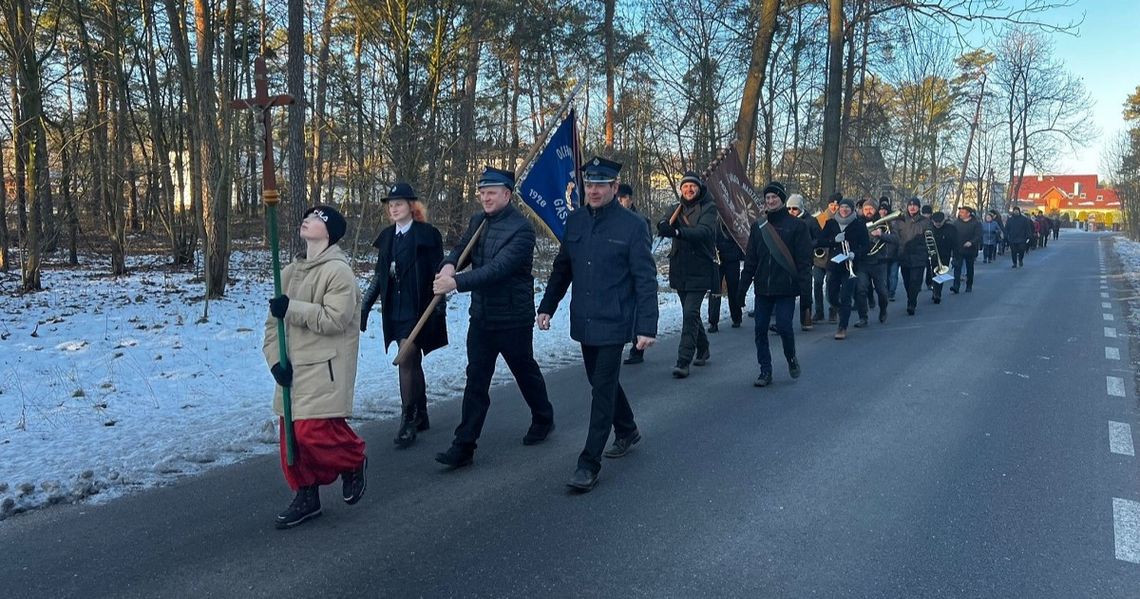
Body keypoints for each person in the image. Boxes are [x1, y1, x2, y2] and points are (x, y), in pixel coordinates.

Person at [537, 157, 658, 492]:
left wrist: (646, 325)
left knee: (601, 389)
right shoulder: (574, 222)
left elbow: (645, 280)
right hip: (585, 318)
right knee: (599, 380)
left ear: (614, 187)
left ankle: (588, 462)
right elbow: (563, 268)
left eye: (600, 185)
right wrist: (547, 306)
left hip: (615, 319)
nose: (593, 190)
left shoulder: (633, 226)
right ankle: (628, 428)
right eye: (589, 184)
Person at [433, 166, 555, 469]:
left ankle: (543, 417)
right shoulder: (477, 221)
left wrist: (457, 283)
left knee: (524, 371)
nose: (485, 198)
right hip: (482, 317)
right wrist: (450, 265)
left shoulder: (522, 230)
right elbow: (461, 250)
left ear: (507, 195)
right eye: (482, 193)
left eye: (491, 192)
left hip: (513, 317)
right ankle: (464, 446)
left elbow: (498, 270)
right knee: (476, 379)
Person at [264, 204, 367, 529]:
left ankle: (354, 460)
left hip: (325, 368)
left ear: (331, 232)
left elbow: (335, 319)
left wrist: (291, 308)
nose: (307, 219)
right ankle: (306, 495)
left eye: (318, 218)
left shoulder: (339, 272)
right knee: (290, 442)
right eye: (307, 216)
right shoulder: (289, 272)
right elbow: (272, 326)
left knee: (312, 433)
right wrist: (275, 361)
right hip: (292, 369)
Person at [361, 182, 447, 449]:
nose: (393, 209)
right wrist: (364, 306)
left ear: (411, 206)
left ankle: (408, 419)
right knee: (411, 359)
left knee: (406, 357)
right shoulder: (388, 237)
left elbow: (439, 272)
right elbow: (379, 276)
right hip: (395, 311)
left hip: (420, 308)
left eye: (398, 204)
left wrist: (439, 305)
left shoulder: (428, 234)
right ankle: (420, 412)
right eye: (390, 205)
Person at [738, 181, 811, 387]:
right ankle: (765, 370)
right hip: (763, 288)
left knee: (785, 327)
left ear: (782, 199)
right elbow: (751, 260)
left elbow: (805, 262)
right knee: (760, 329)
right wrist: (742, 289)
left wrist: (806, 296)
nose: (770, 201)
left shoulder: (797, 226)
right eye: (767, 198)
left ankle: (790, 357)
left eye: (774, 197)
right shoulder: (758, 227)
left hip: (786, 288)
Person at [657, 170, 718, 379]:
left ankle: (683, 361)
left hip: (700, 269)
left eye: (692, 186)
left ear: (699, 189)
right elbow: (663, 223)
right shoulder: (675, 208)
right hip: (680, 269)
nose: (689, 190)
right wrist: (663, 225)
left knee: (690, 313)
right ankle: (703, 347)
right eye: (685, 186)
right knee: (689, 313)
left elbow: (704, 232)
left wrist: (676, 232)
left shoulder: (709, 208)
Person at [817, 197, 870, 339]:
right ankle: (840, 309)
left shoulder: (859, 224)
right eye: (842, 207)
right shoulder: (831, 223)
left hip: (851, 266)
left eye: (847, 207)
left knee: (846, 296)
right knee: (831, 296)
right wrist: (833, 240)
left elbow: (866, 246)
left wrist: (855, 254)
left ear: (852, 209)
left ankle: (842, 327)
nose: (844, 210)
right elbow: (820, 241)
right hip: (834, 265)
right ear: (838, 209)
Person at [617, 183, 654, 366]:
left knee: (637, 310)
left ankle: (636, 349)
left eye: (623, 198)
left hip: (635, 271)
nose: (620, 202)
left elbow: (645, 248)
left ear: (630, 199)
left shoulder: (641, 221)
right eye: (617, 198)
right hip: (618, 274)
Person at [859, 199, 896, 323]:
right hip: (863, 262)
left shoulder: (884, 222)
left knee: (882, 291)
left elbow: (895, 239)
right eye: (866, 209)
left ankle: (883, 310)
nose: (868, 211)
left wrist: (881, 234)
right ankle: (863, 317)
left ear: (875, 210)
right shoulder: (858, 222)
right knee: (861, 289)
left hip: (879, 262)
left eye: (871, 208)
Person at [894, 198, 931, 316]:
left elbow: (930, 238)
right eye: (910, 206)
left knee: (916, 281)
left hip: (919, 255)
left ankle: (912, 303)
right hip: (904, 255)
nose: (912, 207)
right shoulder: (900, 220)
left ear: (919, 207)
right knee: (907, 281)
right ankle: (911, 298)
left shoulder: (925, 221)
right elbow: (896, 237)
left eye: (915, 205)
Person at [708, 218, 744, 332]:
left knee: (733, 289)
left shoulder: (731, 216)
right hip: (717, 260)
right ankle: (713, 322)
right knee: (715, 291)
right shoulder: (712, 216)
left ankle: (736, 317)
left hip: (732, 258)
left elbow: (740, 236)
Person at [786, 194, 816, 330]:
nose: (791, 211)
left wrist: (808, 244)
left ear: (801, 209)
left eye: (794, 209)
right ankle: (784, 321)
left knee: (805, 291)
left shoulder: (810, 221)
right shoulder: (784, 221)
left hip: (805, 261)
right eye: (788, 208)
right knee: (786, 291)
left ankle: (806, 318)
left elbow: (819, 238)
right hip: (788, 261)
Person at [812, 193, 840, 324]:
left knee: (831, 284)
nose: (834, 207)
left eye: (836, 205)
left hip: (833, 259)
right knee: (817, 283)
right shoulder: (820, 218)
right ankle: (819, 312)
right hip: (819, 258)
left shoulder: (842, 218)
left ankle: (833, 310)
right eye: (831, 205)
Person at [928, 211, 957, 304]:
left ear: (944, 220)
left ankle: (937, 293)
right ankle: (934, 290)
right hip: (932, 254)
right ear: (932, 221)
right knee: (933, 272)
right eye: (936, 222)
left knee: (941, 273)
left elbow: (955, 242)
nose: (938, 224)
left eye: (940, 222)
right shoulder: (929, 229)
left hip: (945, 254)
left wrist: (955, 255)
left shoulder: (950, 228)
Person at [950, 206, 981, 293]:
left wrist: (971, 242)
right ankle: (956, 286)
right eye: (960, 212)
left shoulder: (975, 223)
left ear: (968, 214)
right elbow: (952, 234)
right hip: (958, 249)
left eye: (963, 212)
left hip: (970, 250)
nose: (960, 214)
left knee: (969, 268)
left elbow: (978, 235)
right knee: (957, 268)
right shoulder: (956, 223)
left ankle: (969, 285)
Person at [877, 198, 900, 303]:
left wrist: (882, 235)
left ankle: (891, 293)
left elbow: (896, 238)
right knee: (885, 276)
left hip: (894, 253)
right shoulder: (876, 221)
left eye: (885, 210)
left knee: (893, 275)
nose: (883, 212)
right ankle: (886, 292)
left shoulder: (893, 222)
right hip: (882, 254)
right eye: (881, 210)